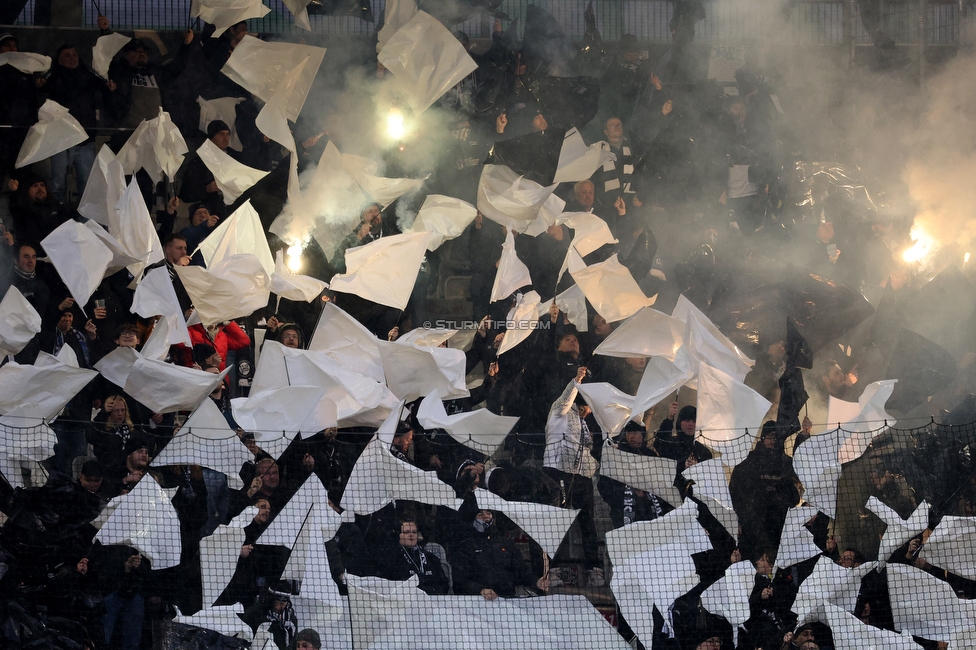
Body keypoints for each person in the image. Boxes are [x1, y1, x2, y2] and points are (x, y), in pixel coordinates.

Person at [542, 367, 604, 586]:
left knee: (587, 521)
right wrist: (577, 380)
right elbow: (567, 397)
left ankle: (594, 568)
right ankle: (553, 569)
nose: (589, 410)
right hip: (557, 471)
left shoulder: (584, 422)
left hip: (582, 475)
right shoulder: (559, 409)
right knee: (556, 520)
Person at [41, 43, 106, 203]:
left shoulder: (89, 75)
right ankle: (55, 214)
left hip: (85, 141)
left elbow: (105, 86)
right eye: (67, 55)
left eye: (74, 54)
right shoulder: (52, 77)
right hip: (61, 141)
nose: (72, 58)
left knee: (88, 187)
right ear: (59, 59)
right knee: (57, 185)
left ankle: (84, 218)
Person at [451, 509, 548, 599]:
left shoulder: (507, 543)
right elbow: (459, 579)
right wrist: (480, 590)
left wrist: (536, 582)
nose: (485, 516)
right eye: (480, 514)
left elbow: (521, 571)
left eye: (488, 513)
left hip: (507, 599)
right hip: (477, 601)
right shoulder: (465, 546)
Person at [377, 519, 450, 595]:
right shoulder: (390, 558)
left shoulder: (432, 558)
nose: (411, 535)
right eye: (406, 532)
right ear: (399, 535)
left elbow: (444, 584)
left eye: (414, 532)